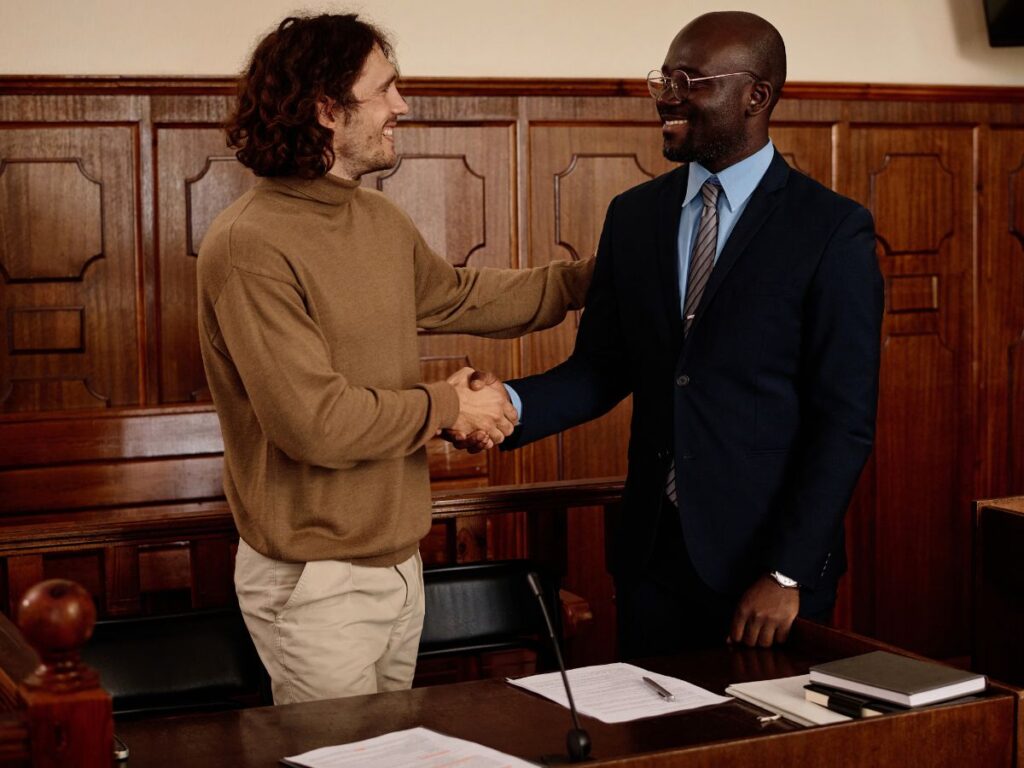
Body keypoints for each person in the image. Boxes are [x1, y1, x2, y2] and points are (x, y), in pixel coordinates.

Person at [452, 11, 883, 656]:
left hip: (766, 573)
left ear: (756, 96)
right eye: (664, 78)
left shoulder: (831, 230)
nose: (668, 96)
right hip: (652, 559)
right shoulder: (634, 217)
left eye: (690, 79)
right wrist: (502, 407)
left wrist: (786, 570)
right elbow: (601, 368)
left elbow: (842, 422)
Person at [197, 13, 592, 704]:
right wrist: (450, 405)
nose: (400, 106)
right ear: (326, 110)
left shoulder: (377, 220)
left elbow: (464, 298)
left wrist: (601, 278)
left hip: (398, 560)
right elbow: (313, 422)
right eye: (385, 90)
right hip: (315, 578)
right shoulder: (249, 244)